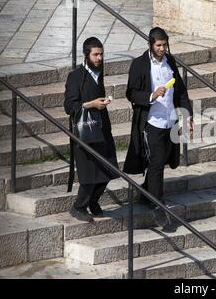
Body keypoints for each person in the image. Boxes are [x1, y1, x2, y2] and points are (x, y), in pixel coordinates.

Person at [123, 27, 193, 208]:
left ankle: (145, 193)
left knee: (164, 159)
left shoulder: (170, 61)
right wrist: (151, 96)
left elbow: (181, 92)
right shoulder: (139, 64)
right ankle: (157, 203)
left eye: (165, 45)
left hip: (170, 121)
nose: (162, 49)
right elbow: (131, 93)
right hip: (152, 122)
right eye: (159, 45)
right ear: (150, 45)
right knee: (157, 161)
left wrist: (187, 116)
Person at [64, 37, 119, 223]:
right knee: (89, 173)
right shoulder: (76, 77)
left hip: (102, 127)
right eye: (96, 54)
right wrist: (91, 104)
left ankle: (94, 201)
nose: (100, 58)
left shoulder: (99, 72)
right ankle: (79, 206)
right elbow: (69, 106)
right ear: (86, 55)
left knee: (109, 167)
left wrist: (102, 102)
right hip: (85, 131)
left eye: (101, 54)